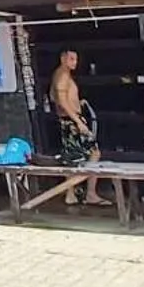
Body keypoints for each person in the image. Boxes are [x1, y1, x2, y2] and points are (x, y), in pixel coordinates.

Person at [49, 50, 109, 206]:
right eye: (71, 59)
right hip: (72, 121)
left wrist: (77, 102)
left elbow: (54, 96)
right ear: (62, 58)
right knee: (93, 153)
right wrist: (79, 121)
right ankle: (89, 193)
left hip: (69, 119)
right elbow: (61, 100)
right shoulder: (62, 75)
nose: (74, 62)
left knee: (72, 157)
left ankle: (71, 194)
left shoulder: (59, 74)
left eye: (76, 59)